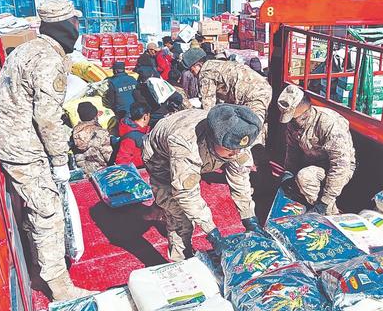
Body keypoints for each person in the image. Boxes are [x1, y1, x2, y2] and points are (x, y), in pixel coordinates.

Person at [0, 0, 96, 301]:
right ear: (64, 26)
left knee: (40, 205)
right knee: (47, 209)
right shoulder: (49, 60)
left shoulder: (30, 47)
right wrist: (60, 159)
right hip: (23, 144)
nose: (78, 29)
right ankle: (59, 285)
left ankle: (41, 262)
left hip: (14, 134)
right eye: (75, 23)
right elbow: (46, 118)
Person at [142, 104, 264, 261]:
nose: (235, 154)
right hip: (160, 159)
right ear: (213, 139)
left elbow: (240, 179)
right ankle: (180, 260)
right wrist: (213, 233)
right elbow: (186, 193)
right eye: (230, 150)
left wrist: (249, 219)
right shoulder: (184, 143)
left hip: (198, 153)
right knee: (180, 215)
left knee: (183, 203)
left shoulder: (237, 139)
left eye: (238, 150)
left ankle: (159, 207)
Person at [276, 85, 356, 215]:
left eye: (294, 118)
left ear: (306, 111)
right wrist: (288, 173)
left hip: (338, 168)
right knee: (293, 184)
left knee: (305, 177)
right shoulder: (294, 123)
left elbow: (341, 165)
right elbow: (292, 150)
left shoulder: (329, 123)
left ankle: (331, 215)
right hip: (313, 162)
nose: (292, 123)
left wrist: (325, 202)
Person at [181, 47, 272, 137]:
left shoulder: (205, 73)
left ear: (198, 65)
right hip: (262, 89)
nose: (191, 73)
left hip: (254, 95)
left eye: (191, 69)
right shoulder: (215, 64)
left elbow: (208, 107)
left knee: (251, 132)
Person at [72, 102, 113, 175]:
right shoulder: (100, 132)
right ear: (95, 116)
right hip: (104, 172)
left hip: (85, 173)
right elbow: (108, 156)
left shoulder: (74, 134)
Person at [115, 103, 151, 168]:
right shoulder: (130, 137)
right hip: (138, 170)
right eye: (149, 116)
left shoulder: (139, 129)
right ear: (145, 117)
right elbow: (121, 161)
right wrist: (145, 158)